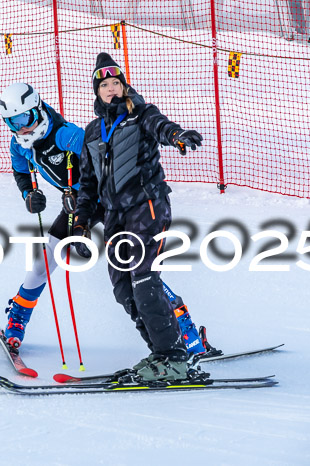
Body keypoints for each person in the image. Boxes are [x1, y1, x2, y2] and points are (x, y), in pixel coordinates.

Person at [73, 52, 208, 382]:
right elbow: (88, 183)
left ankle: (174, 356)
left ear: (124, 85)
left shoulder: (140, 113)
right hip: (116, 218)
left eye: (115, 83)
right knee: (123, 289)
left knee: (145, 280)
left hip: (147, 207)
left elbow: (160, 127)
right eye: (104, 85)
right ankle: (162, 354)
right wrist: (81, 221)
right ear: (97, 91)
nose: (111, 89)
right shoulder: (92, 132)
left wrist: (176, 136)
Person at [0, 82, 96, 349]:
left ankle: (183, 325)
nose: (22, 128)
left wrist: (81, 201)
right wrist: (29, 195)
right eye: (13, 122)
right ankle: (17, 318)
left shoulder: (66, 135)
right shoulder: (20, 145)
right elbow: (21, 172)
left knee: (132, 266)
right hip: (74, 206)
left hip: (105, 203)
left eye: (25, 118)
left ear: (37, 109)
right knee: (43, 262)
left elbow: (101, 163)